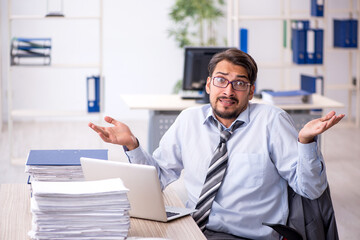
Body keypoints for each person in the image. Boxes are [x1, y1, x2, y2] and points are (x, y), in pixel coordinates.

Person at [88, 48, 344, 239]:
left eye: (239, 84)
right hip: (193, 229)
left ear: (251, 91)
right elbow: (158, 178)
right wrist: (132, 145)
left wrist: (306, 141)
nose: (228, 91)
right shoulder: (189, 119)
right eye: (221, 80)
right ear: (209, 84)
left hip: (249, 236)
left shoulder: (271, 121)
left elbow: (310, 190)